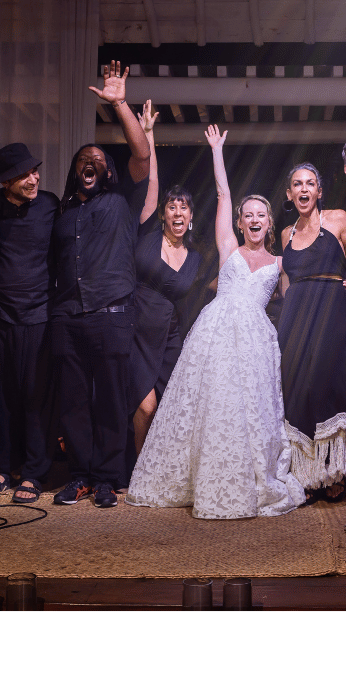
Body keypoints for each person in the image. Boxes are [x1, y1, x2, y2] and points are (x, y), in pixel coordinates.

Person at [126, 125, 304, 519]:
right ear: (239, 223)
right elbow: (223, 193)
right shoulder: (228, 247)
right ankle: (202, 477)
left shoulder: (279, 263)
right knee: (213, 405)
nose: (254, 219)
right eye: (248, 215)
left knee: (249, 409)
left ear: (269, 224)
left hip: (257, 339)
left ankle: (248, 475)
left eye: (261, 215)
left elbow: (295, 297)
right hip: (217, 333)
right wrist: (217, 151)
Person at [49, 62, 150, 509]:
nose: (90, 163)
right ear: (76, 172)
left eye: (98, 160)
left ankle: (109, 477)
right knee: (72, 403)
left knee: (111, 400)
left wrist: (119, 104)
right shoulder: (63, 211)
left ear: (107, 171)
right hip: (68, 317)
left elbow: (142, 155)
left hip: (112, 314)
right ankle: (82, 475)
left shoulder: (121, 201)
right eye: (82, 160)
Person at [0, 142, 60, 504]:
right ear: (6, 181)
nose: (34, 178)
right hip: (1, 316)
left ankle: (33, 472)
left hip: (38, 315)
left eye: (35, 171)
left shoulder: (49, 204)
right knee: (1, 399)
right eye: (25, 174)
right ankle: (1, 467)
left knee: (34, 398)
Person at [128, 103, 205, 455]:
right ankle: (137, 468)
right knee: (146, 407)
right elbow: (151, 184)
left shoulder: (196, 258)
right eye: (172, 206)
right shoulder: (148, 236)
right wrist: (149, 134)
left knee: (170, 409)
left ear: (191, 218)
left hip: (168, 338)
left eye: (184, 207)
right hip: (133, 331)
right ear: (163, 214)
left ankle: (160, 467)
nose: (177, 211)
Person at [278, 162, 346, 501]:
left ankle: (332, 471)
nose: (304, 189)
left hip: (330, 312)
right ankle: (307, 474)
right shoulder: (286, 234)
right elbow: (284, 287)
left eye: (311, 183)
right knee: (297, 390)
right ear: (290, 193)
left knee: (325, 384)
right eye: (298, 184)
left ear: (319, 191)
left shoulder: (337, 218)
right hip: (294, 318)